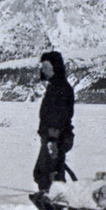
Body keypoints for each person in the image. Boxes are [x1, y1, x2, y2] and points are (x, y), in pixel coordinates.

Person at [33, 51, 75, 193]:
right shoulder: (56, 87)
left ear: (54, 67)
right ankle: (57, 200)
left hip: (56, 138)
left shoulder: (60, 88)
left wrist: (52, 138)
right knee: (54, 170)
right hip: (55, 137)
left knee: (44, 171)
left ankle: (51, 201)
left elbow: (60, 116)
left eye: (46, 66)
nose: (42, 69)